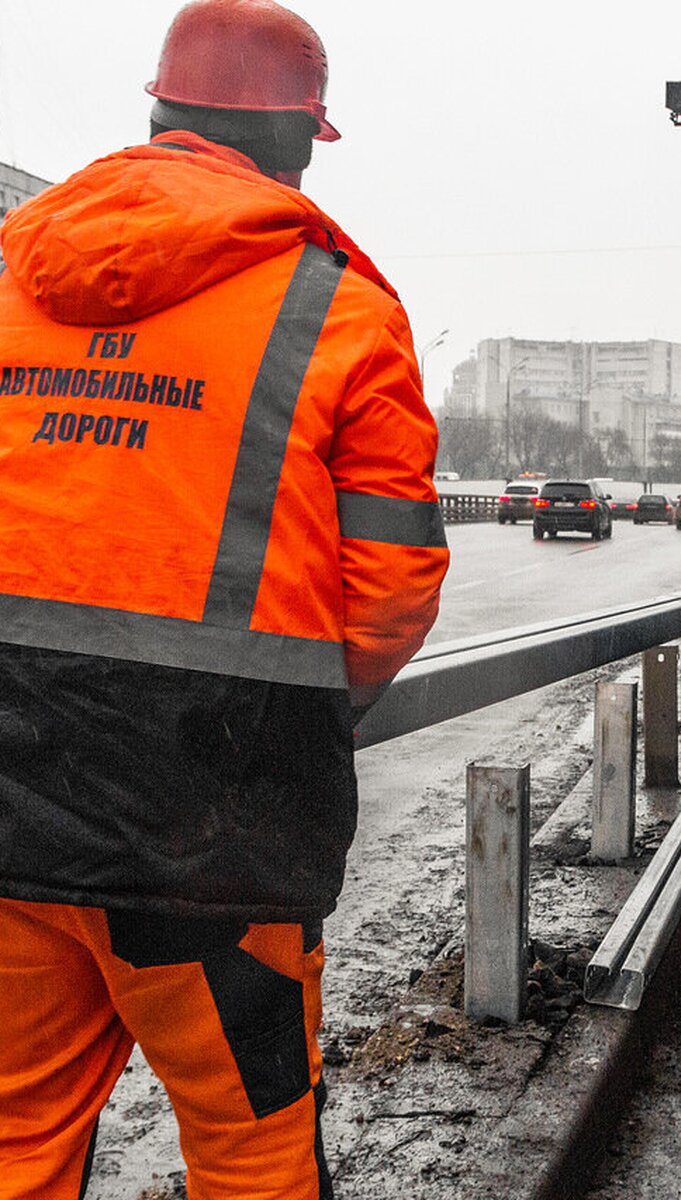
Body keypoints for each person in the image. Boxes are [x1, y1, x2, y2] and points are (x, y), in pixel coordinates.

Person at [0, 2, 449, 1196]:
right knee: (249, 1141)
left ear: (158, 115)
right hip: (214, 827)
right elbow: (395, 584)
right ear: (299, 141)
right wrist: (303, 710)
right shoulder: (340, 309)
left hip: (6, 801)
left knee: (14, 1137)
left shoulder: (12, 276)